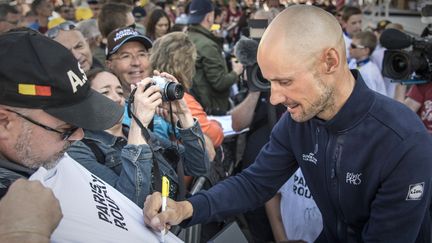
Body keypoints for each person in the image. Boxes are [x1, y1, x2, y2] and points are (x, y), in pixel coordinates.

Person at [144, 5, 432, 243]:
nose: (275, 98)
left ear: (329, 61)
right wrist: (186, 208)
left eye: (285, 81)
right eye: (270, 82)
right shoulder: (299, 121)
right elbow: (255, 183)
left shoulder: (403, 140)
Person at [67, 68, 209, 207]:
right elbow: (129, 205)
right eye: (105, 92)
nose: (117, 99)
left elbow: (198, 166)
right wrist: (138, 123)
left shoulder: (138, 134)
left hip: (174, 223)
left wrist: (183, 114)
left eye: (120, 92)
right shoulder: (78, 149)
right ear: (85, 103)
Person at [150, 31, 224, 150]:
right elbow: (215, 137)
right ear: (187, 65)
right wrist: (216, 125)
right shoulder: (179, 98)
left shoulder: (151, 88)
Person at [187, 0, 243, 115]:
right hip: (213, 108)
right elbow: (220, 83)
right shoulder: (207, 45)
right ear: (209, 17)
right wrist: (236, 72)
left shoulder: (187, 38)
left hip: (196, 104)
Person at [348, 30, 387, 95]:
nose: (349, 48)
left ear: (366, 50)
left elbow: (371, 100)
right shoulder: (353, 62)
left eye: (353, 46)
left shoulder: (369, 73)